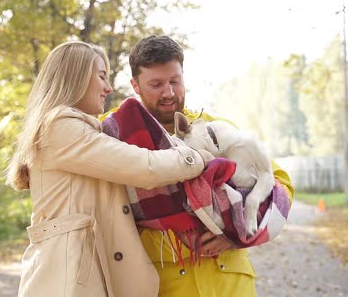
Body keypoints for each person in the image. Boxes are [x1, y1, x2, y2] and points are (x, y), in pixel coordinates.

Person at [6, 41, 215, 297]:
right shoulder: (60, 127)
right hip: (67, 281)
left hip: (79, 276)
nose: (108, 87)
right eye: (102, 76)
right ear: (77, 76)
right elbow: (145, 167)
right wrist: (199, 157)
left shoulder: (78, 129)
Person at [105, 35, 294, 297]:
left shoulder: (217, 128)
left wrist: (235, 232)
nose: (169, 92)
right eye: (156, 84)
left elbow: (279, 184)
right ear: (135, 86)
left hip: (232, 283)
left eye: (175, 81)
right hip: (165, 284)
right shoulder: (114, 132)